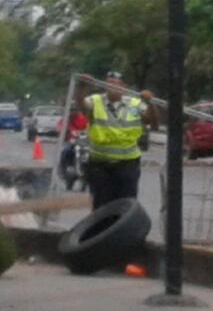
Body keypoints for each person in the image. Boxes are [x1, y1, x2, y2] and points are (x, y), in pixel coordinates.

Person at [75, 71, 158, 209]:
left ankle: (123, 230)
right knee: (101, 207)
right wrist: (82, 87)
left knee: (127, 207)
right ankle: (102, 231)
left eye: (115, 83)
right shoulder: (96, 101)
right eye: (109, 82)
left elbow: (152, 122)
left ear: (123, 86)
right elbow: (80, 104)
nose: (111, 85)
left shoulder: (133, 105)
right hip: (100, 165)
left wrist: (150, 103)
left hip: (127, 165)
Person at [57, 106, 89, 177]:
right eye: (71, 110)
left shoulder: (82, 118)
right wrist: (63, 131)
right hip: (70, 140)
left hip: (82, 141)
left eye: (74, 110)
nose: (72, 112)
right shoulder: (65, 119)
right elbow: (59, 127)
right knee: (66, 151)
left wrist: (88, 132)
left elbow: (88, 126)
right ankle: (64, 168)